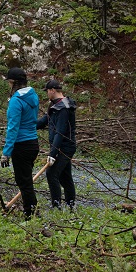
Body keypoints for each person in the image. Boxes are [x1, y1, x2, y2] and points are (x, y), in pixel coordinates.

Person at [0, 67, 40, 218]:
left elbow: (13, 128)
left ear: (13, 82)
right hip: (33, 144)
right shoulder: (33, 96)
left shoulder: (16, 101)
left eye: (9, 82)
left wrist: (6, 152)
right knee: (27, 180)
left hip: (21, 145)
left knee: (24, 182)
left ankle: (30, 214)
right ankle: (31, 210)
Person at [38, 79, 77, 210]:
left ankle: (56, 207)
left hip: (65, 147)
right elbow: (44, 121)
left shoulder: (64, 108)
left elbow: (60, 132)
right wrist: (26, 125)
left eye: (47, 92)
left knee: (51, 174)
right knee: (65, 177)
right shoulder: (54, 105)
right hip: (59, 146)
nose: (47, 94)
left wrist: (53, 153)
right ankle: (71, 206)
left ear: (52, 91)